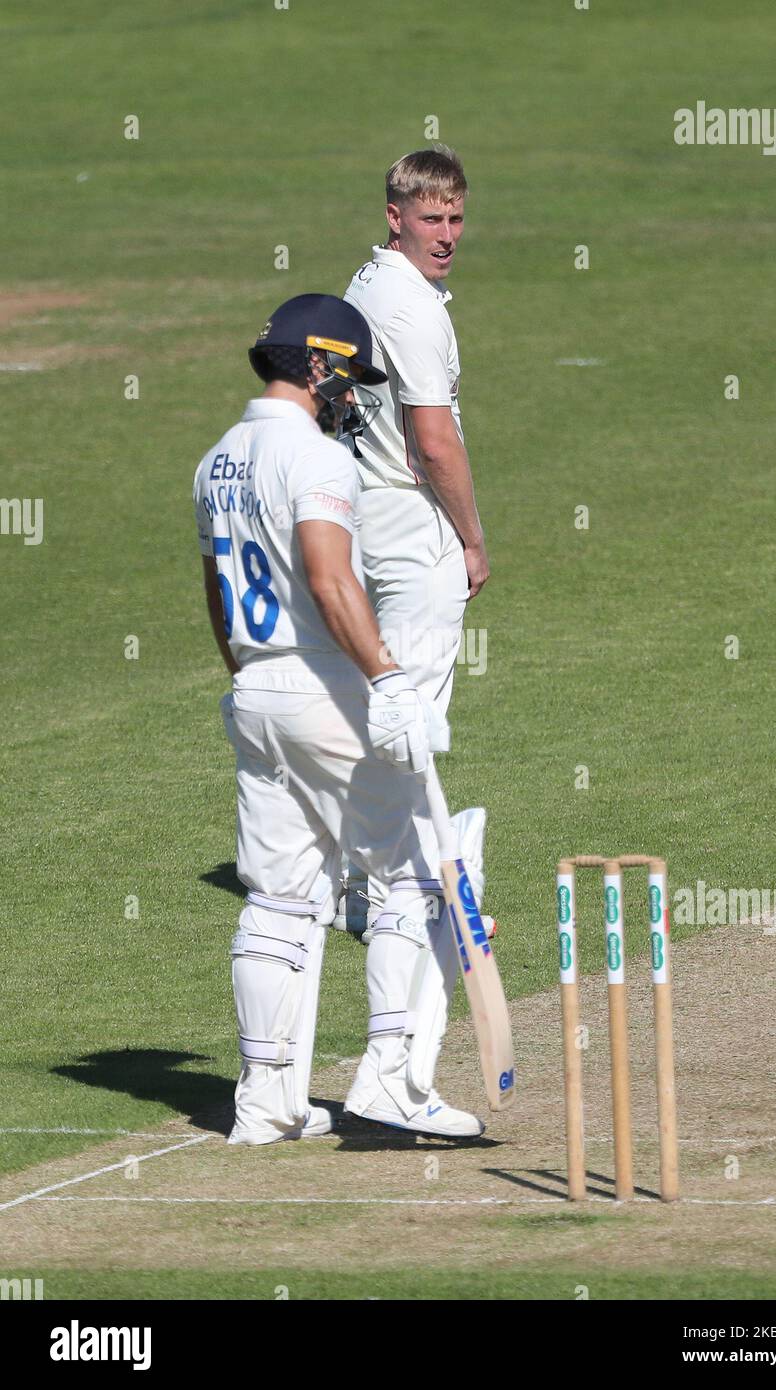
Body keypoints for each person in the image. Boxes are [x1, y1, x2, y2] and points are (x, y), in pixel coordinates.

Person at [193, 294, 486, 1143]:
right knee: (418, 876)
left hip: (255, 689)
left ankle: (267, 1101)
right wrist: (388, 679)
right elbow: (330, 579)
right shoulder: (319, 462)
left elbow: (216, 594)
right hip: (325, 688)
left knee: (278, 896)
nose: (350, 396)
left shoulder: (218, 459)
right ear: (316, 365)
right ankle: (392, 1082)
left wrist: (249, 677)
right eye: (346, 377)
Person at [339, 146, 489, 938]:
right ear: (394, 217)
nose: (446, 233)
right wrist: (471, 538)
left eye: (455, 217)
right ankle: (393, 889)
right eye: (430, 218)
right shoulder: (413, 308)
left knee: (389, 703)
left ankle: (366, 877)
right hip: (412, 516)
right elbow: (434, 441)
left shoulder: (368, 284)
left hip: (368, 514)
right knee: (411, 711)